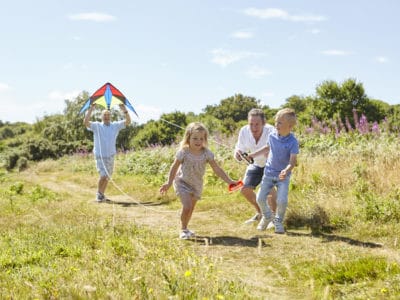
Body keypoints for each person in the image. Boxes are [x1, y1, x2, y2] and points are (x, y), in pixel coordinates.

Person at [159, 122, 239, 240]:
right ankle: (183, 229)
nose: (198, 141)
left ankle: (186, 228)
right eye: (195, 138)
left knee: (191, 208)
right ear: (188, 138)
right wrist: (169, 182)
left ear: (205, 139)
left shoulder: (207, 153)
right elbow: (174, 167)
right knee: (187, 206)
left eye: (201, 138)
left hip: (196, 185)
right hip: (182, 182)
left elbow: (217, 169)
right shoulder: (183, 152)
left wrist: (230, 181)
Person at [248, 108, 299, 234]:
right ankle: (267, 216)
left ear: (290, 126)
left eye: (280, 123)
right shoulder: (272, 136)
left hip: (283, 176)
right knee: (260, 199)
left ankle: (278, 222)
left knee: (282, 201)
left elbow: (293, 162)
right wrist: (252, 155)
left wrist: (286, 170)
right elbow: (267, 148)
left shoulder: (293, 142)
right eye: (276, 122)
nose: (276, 125)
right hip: (268, 174)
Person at [234, 108, 277, 225]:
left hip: (271, 164)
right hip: (256, 164)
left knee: (269, 189)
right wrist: (238, 155)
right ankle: (262, 213)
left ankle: (273, 218)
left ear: (263, 123)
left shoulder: (271, 130)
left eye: (257, 124)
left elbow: (268, 147)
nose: (254, 128)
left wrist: (251, 155)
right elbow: (239, 148)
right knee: (245, 189)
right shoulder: (244, 131)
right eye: (251, 124)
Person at [84, 103, 131, 202]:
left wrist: (124, 110)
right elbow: (86, 122)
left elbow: (128, 121)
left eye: (108, 115)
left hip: (110, 155)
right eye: (104, 115)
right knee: (103, 175)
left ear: (110, 116)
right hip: (100, 155)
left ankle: (102, 194)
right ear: (101, 117)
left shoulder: (115, 126)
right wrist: (91, 109)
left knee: (107, 176)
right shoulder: (96, 126)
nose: (106, 117)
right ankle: (98, 194)